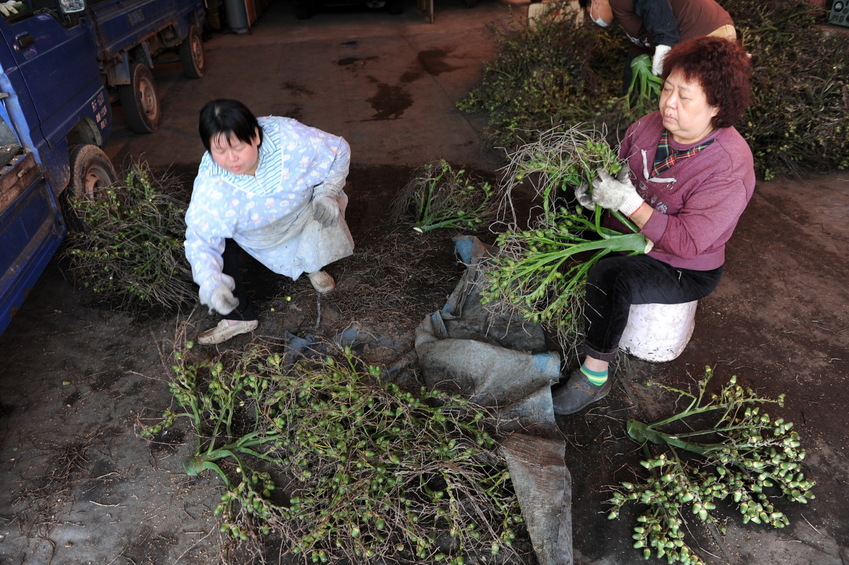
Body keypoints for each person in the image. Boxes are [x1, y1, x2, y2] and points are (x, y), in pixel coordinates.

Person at [552, 36, 754, 415]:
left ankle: (594, 376)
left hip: (679, 265)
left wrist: (629, 203)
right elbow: (616, 168)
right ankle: (557, 283)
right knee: (563, 194)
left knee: (612, 275)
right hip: (624, 231)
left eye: (684, 96)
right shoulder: (649, 127)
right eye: (667, 89)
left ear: (717, 106)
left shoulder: (727, 168)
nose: (668, 104)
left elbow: (687, 242)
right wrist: (593, 191)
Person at [184, 99, 354, 345]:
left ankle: (311, 264)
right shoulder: (212, 180)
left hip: (301, 212)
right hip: (256, 232)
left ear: (255, 136)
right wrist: (211, 281)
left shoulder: (290, 138)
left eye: (238, 147)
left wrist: (327, 191)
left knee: (317, 223)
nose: (231, 159)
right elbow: (200, 237)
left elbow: (338, 149)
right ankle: (239, 318)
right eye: (219, 151)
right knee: (217, 243)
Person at [579, 0, 736, 78]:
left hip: (706, 34)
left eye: (590, 12)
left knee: (694, 98)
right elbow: (637, 51)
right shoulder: (622, 15)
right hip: (698, 38)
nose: (595, 19)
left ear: (595, 3)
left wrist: (664, 43)